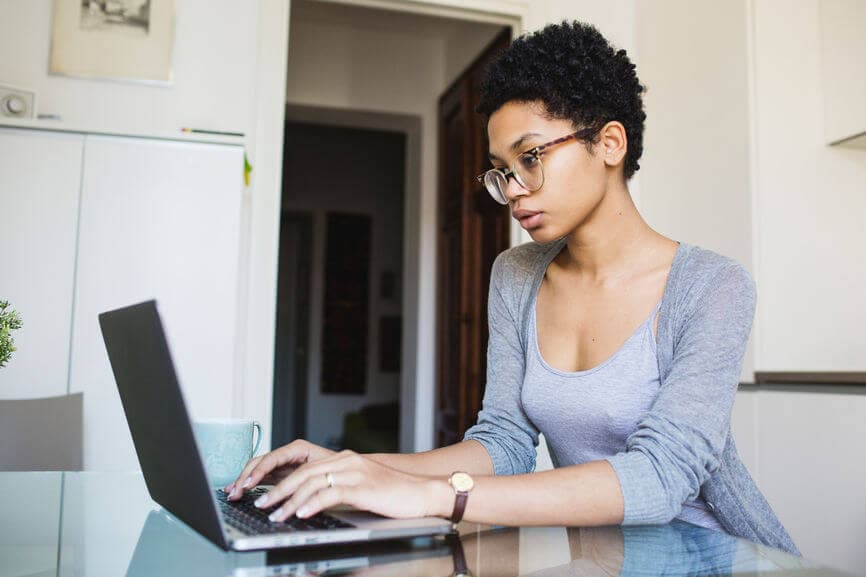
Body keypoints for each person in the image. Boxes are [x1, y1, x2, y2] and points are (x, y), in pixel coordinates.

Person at [226, 21, 798, 555]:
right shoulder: (516, 274)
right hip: (599, 561)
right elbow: (503, 443)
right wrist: (354, 467)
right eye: (502, 170)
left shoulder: (713, 287)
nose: (514, 190)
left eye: (530, 158)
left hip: (722, 559)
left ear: (610, 144)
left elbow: (660, 478)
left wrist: (433, 496)